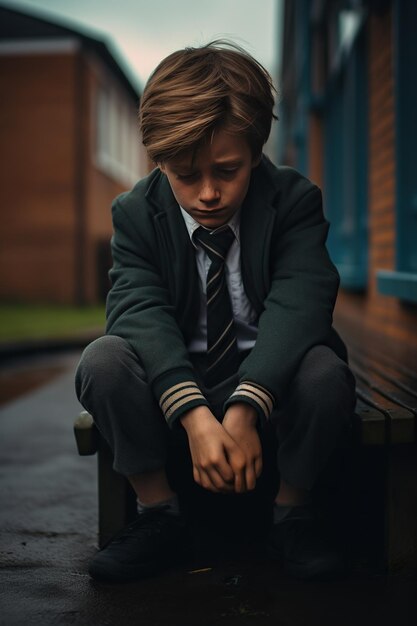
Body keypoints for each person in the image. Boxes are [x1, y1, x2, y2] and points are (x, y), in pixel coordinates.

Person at [75, 41, 356, 583]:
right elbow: (136, 308)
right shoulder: (136, 213)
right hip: (179, 382)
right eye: (184, 174)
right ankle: (159, 516)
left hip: (272, 378)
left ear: (254, 152)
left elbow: (302, 300)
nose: (207, 193)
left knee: (326, 372)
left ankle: (292, 512)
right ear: (159, 161)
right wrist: (194, 413)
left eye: (227, 170)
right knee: (103, 361)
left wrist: (248, 405)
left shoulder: (293, 200)